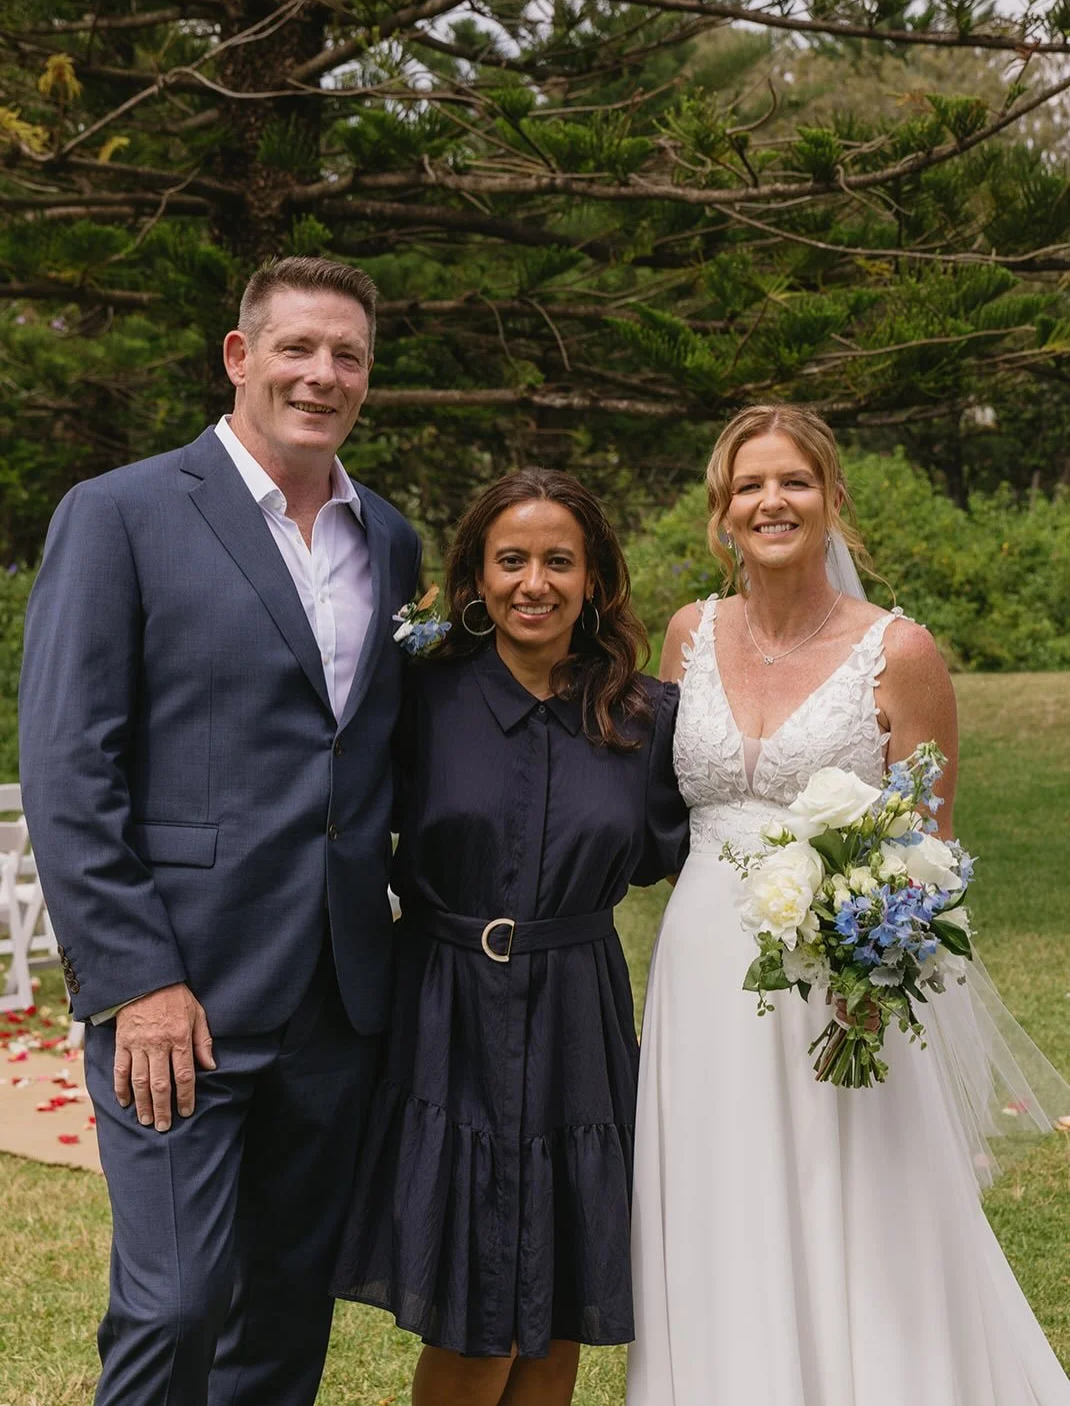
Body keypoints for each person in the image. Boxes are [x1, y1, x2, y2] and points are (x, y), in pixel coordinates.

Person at [18, 256, 421, 1406]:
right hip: (180, 995)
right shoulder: (121, 514)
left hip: (339, 999)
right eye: (296, 347)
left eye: (346, 355)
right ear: (239, 357)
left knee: (285, 1309)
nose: (322, 373)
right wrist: (135, 978)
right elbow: (66, 765)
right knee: (176, 1302)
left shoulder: (385, 538)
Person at [626, 403, 1070, 1405]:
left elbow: (932, 846)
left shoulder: (898, 651)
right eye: (748, 485)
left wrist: (874, 972)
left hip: (842, 980)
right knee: (716, 1198)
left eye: (791, 481)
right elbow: (651, 806)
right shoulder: (687, 633)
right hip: (702, 973)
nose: (769, 501)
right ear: (719, 510)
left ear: (831, 500)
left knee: (857, 1210)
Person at [331, 468, 689, 1406]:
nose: (535, 582)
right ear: (477, 579)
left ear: (596, 579)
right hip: (446, 1016)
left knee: (560, 1310)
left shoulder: (645, 718)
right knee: (478, 1316)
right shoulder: (419, 698)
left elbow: (695, 860)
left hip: (579, 1013)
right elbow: (343, 831)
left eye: (559, 561)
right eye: (512, 560)